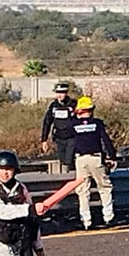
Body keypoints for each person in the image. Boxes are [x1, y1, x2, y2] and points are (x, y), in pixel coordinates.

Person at [71, 96, 116, 230]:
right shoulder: (97, 123)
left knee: (82, 191)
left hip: (80, 159)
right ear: (91, 109)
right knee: (104, 187)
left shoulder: (73, 125)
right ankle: (108, 217)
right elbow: (106, 141)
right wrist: (112, 156)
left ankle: (86, 220)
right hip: (96, 158)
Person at [41, 83, 78, 172]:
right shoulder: (53, 106)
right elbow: (47, 122)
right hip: (59, 137)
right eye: (58, 92)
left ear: (66, 93)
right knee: (62, 160)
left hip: (71, 137)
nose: (60, 95)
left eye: (62, 92)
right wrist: (44, 140)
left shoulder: (73, 104)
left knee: (69, 160)